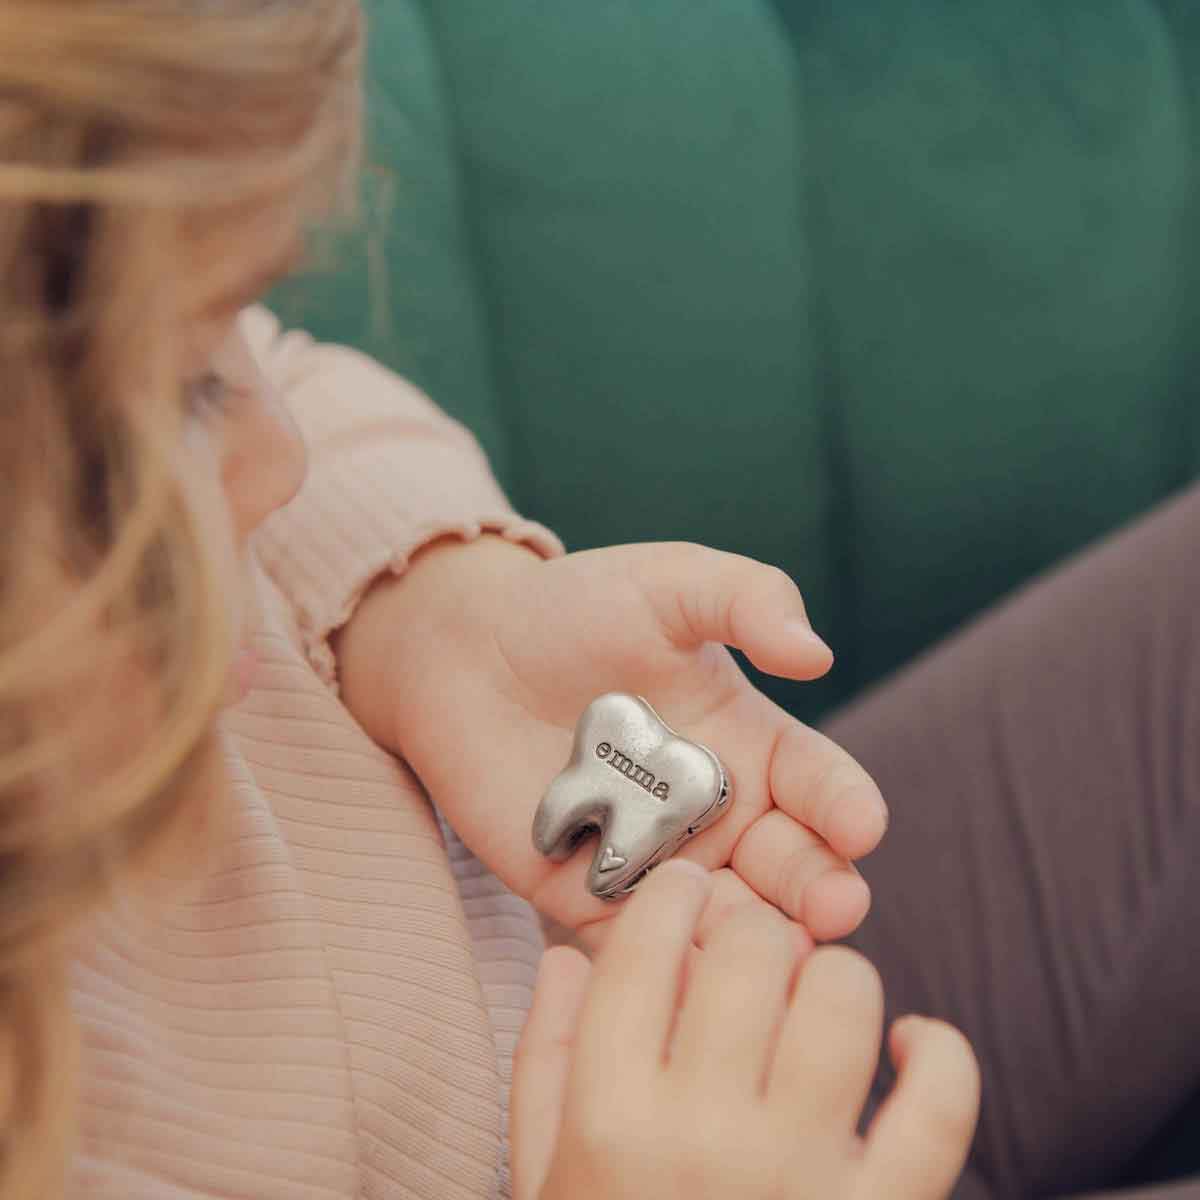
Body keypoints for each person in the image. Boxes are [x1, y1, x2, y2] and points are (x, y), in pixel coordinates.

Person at [1, 2, 978, 1199]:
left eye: (218, 346)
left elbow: (289, 364)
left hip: (704, 973)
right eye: (193, 396)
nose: (283, 453)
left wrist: (432, 607)